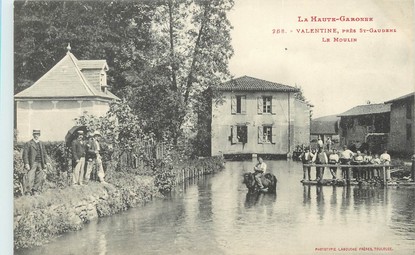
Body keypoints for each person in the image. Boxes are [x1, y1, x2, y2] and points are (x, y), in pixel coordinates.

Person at [22, 129, 48, 195]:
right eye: (35, 134)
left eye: (38, 134)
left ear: (39, 135)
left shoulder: (41, 143)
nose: (36, 135)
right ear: (33, 135)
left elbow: (44, 154)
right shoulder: (28, 143)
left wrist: (46, 162)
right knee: (30, 177)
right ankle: (28, 192)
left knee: (39, 177)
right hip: (32, 163)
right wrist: (26, 163)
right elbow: (25, 154)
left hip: (40, 163)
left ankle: (35, 190)